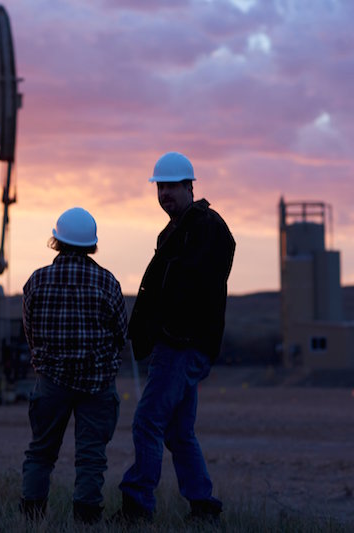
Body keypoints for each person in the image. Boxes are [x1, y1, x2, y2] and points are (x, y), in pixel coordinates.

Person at [116, 151, 235, 522]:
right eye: (160, 187)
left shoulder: (205, 225)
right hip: (183, 343)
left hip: (182, 345)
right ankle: (203, 505)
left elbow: (195, 280)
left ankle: (137, 506)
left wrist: (170, 325)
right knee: (178, 431)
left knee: (147, 421)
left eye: (171, 186)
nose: (165, 193)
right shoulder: (176, 230)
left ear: (189, 186)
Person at [20, 207, 127, 525]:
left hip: (51, 382)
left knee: (41, 451)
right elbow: (121, 334)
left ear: (57, 241)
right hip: (97, 384)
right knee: (91, 457)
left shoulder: (36, 282)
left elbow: (31, 333)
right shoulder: (107, 283)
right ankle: (87, 520)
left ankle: (32, 519)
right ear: (92, 244)